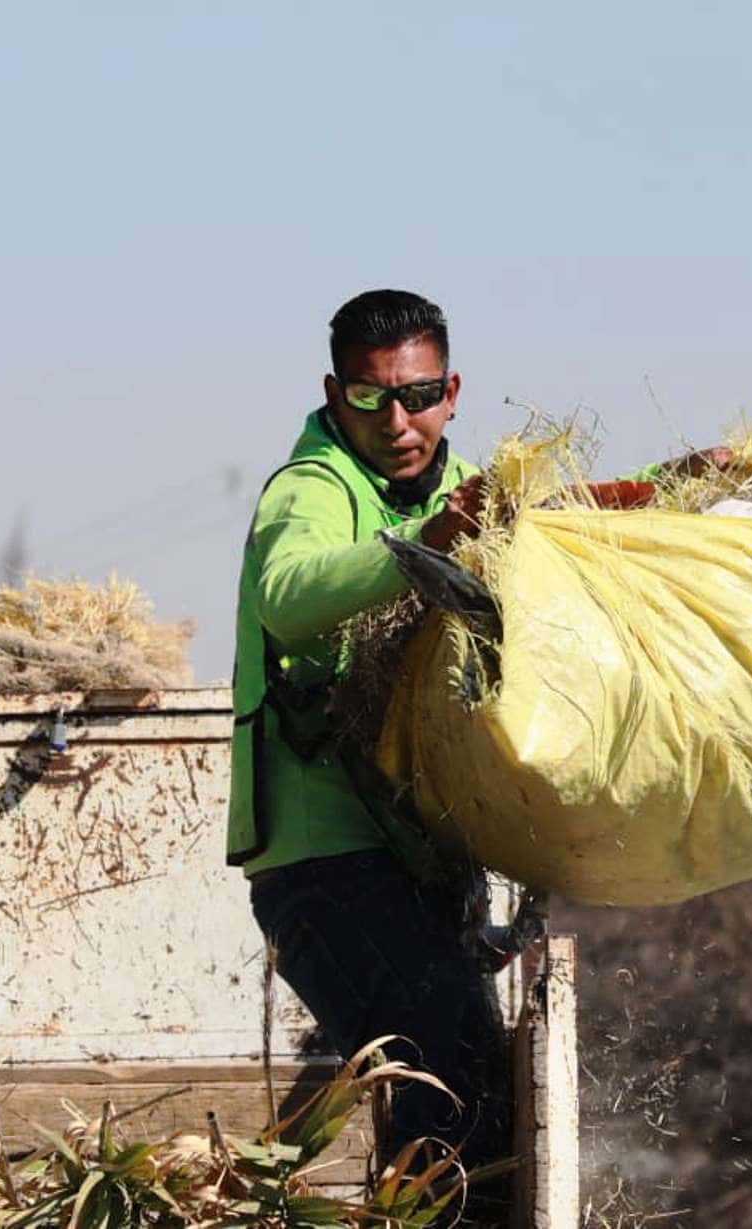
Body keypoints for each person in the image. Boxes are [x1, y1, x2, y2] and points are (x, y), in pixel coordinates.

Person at [226, 289, 509, 1213]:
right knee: (447, 1055)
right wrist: (419, 546)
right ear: (332, 394)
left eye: (418, 395)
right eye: (368, 398)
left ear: (453, 390)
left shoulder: (473, 489)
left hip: (420, 855)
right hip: (324, 868)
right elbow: (290, 593)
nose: (397, 421)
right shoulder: (311, 489)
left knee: (453, 1079)